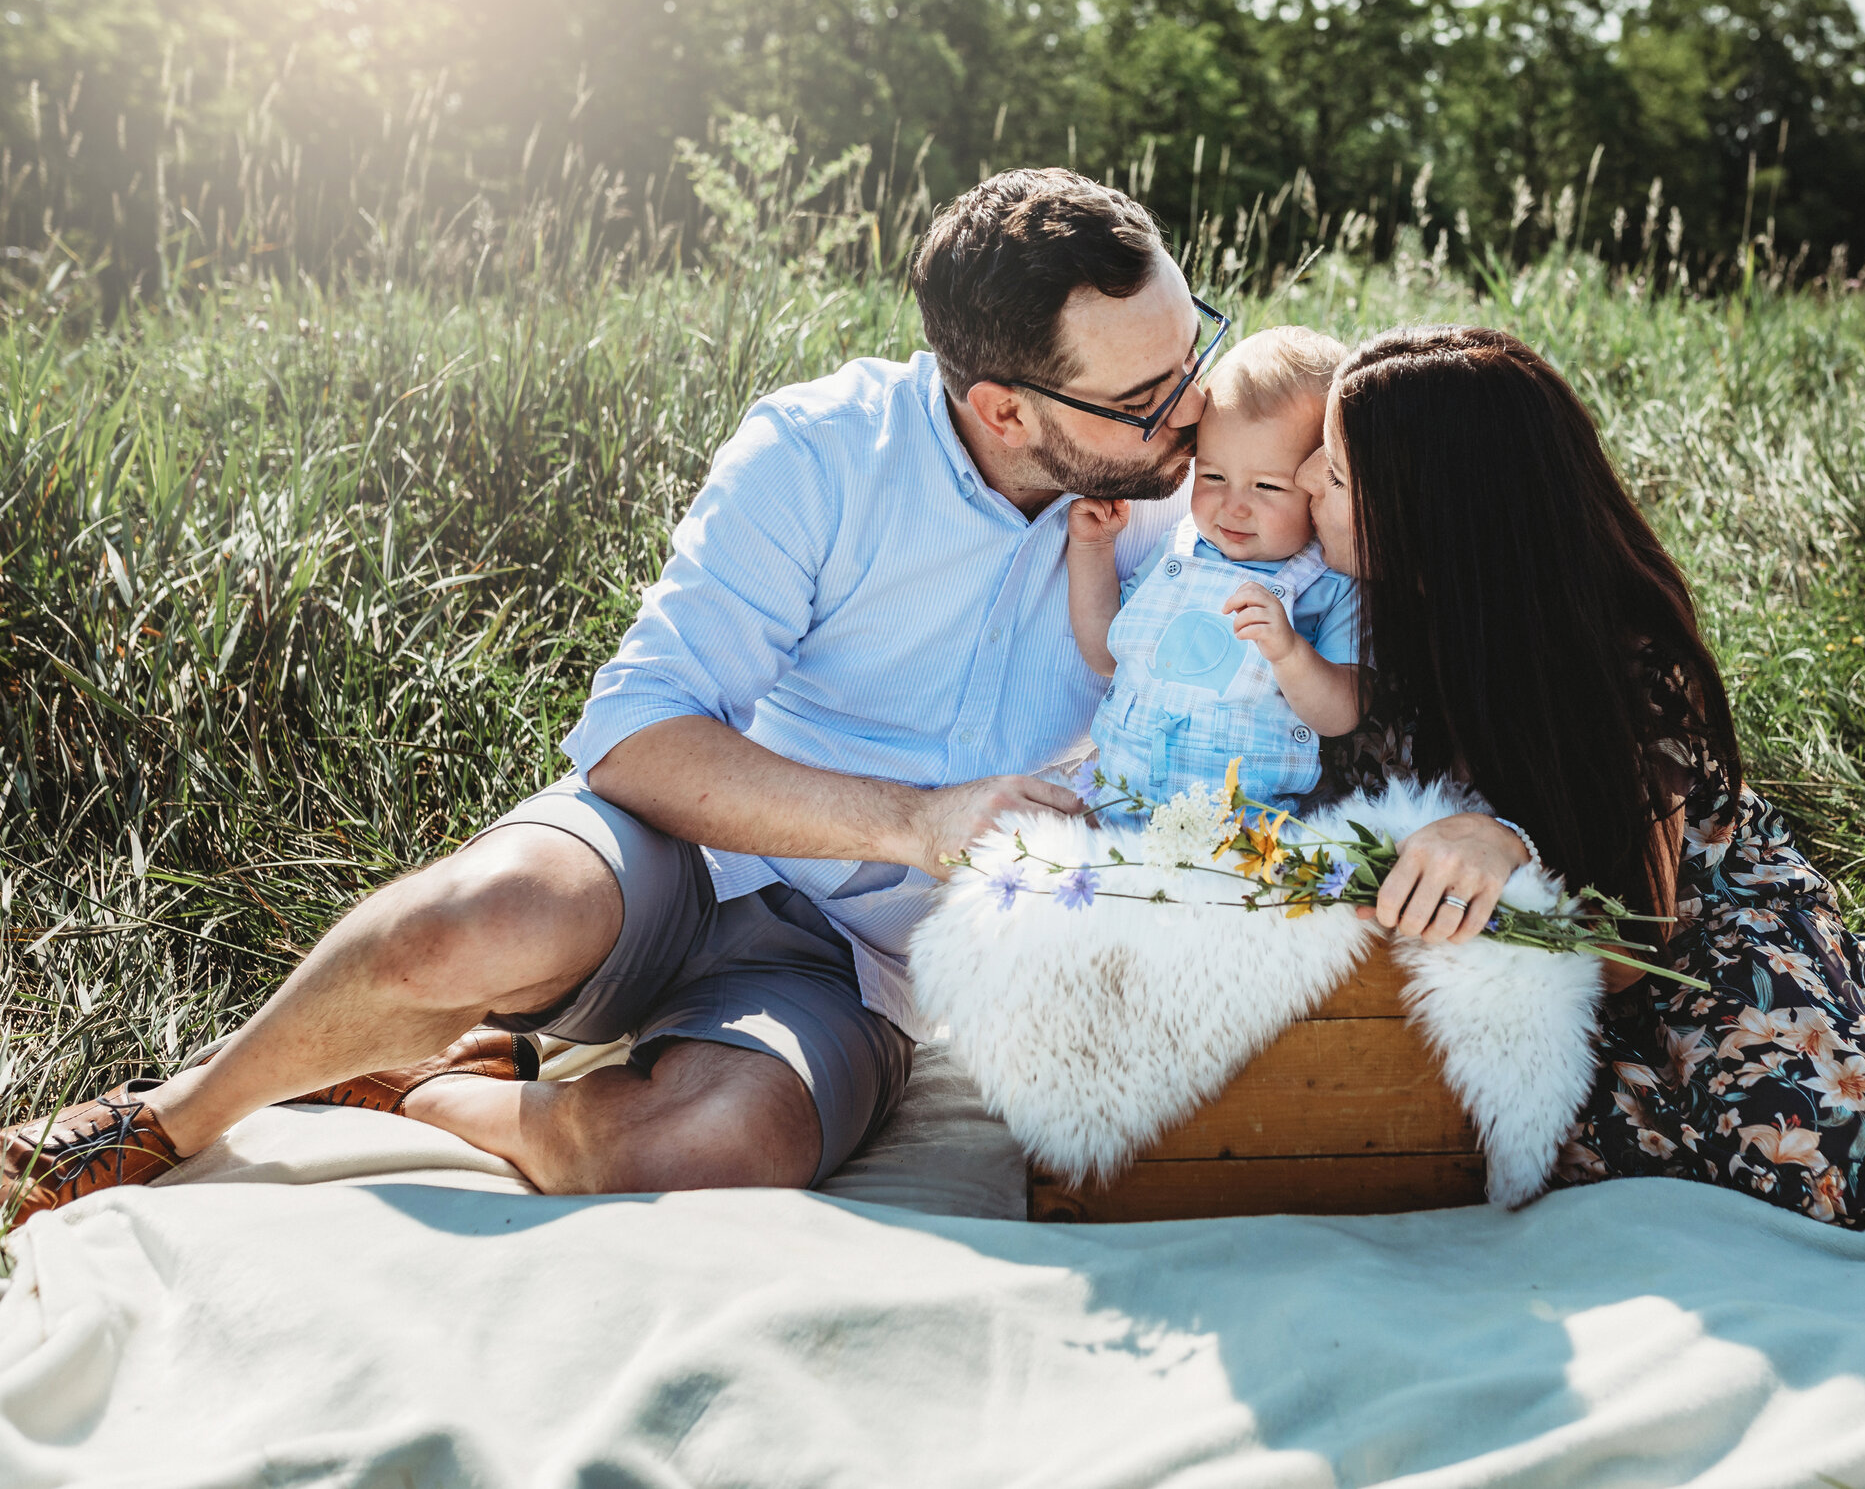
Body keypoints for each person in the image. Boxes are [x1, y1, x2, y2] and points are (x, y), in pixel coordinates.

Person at [1, 169, 1225, 1220]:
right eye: (1145, 396)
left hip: (853, 962)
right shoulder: (819, 452)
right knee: (469, 923)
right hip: (684, 848)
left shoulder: (1198, 495)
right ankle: (171, 1112)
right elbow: (638, 736)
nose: (1193, 408)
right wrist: (918, 819)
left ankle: (453, 1088)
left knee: (711, 1152)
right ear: (1002, 406)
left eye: (1193, 352)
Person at [1298, 325, 1865, 1227]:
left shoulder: (1620, 653)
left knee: (1851, 1167)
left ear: (1437, 516)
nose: (1312, 482)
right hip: (1527, 945)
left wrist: (1508, 843)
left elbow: (1635, 941)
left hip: (1682, 929)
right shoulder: (1347, 614)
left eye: (1339, 474)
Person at [1068, 326, 1362, 813]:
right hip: (1117, 806)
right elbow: (1107, 651)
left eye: (1267, 487)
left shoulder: (1330, 580)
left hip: (1246, 834)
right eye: (1213, 476)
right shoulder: (1179, 551)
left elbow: (1343, 714)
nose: (1233, 506)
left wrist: (1288, 652)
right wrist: (1093, 548)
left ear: (1317, 479)